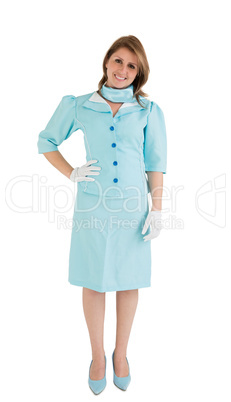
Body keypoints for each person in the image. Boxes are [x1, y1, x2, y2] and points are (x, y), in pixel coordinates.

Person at [37, 35, 167, 394]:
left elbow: (156, 164)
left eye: (131, 65)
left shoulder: (148, 110)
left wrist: (157, 210)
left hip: (132, 208)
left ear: (138, 72)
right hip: (92, 204)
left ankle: (120, 354)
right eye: (118, 61)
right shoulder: (79, 105)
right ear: (106, 62)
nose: (123, 70)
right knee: (93, 280)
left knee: (128, 280)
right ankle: (97, 356)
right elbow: (46, 141)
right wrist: (72, 172)